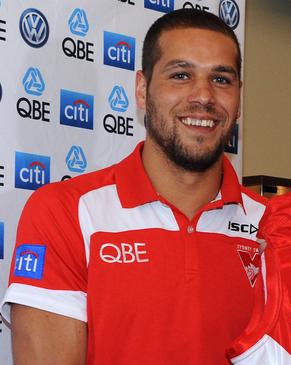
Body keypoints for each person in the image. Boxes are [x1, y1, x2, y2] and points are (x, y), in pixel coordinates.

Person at [1, 9, 266, 365]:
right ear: (142, 90)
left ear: (239, 100)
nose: (203, 95)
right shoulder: (64, 212)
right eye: (181, 75)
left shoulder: (274, 225)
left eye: (221, 79)